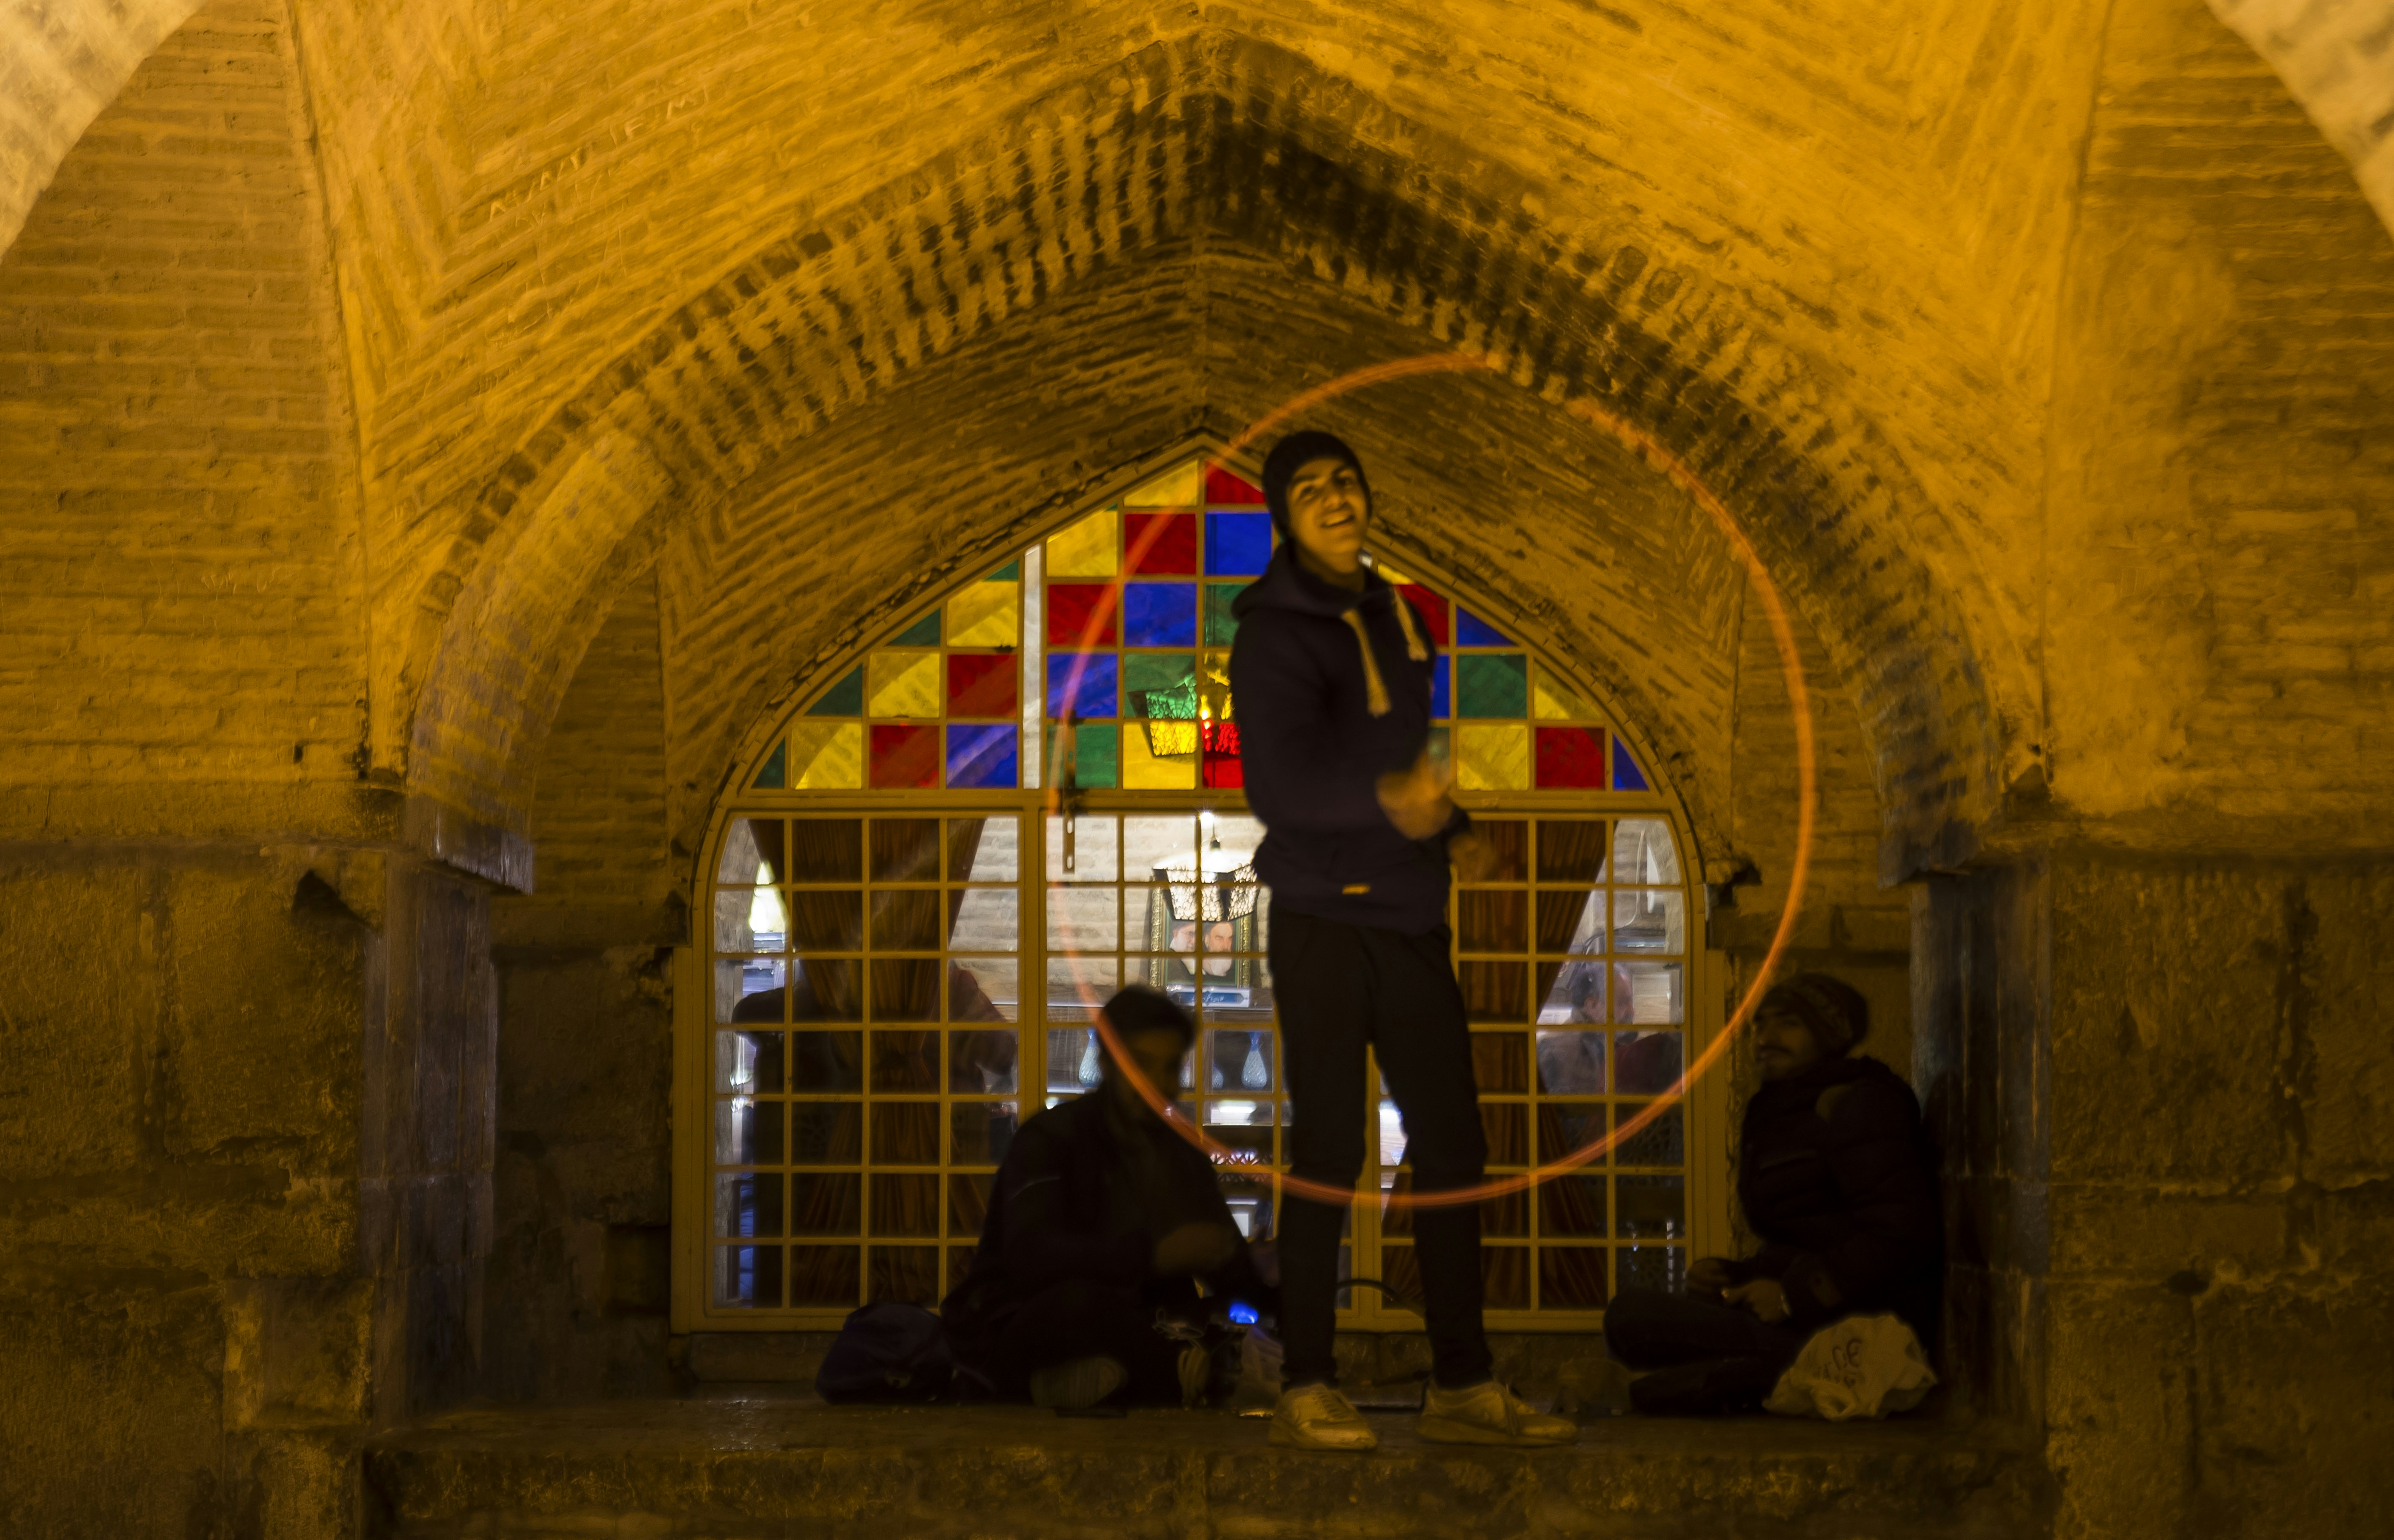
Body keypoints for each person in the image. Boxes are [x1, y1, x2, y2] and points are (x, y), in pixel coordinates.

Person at [1228, 429, 1574, 1451]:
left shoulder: (1397, 617)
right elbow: (1281, 787)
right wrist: (1399, 803)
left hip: (1410, 918)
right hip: (1322, 920)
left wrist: (1451, 831)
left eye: (1345, 481)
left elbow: (1401, 760)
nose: (1334, 498)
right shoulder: (1271, 637)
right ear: (1283, 518)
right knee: (1330, 1151)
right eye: (1308, 489)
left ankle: (1462, 1382)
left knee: (1455, 1149)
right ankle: (1306, 1381)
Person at [1603, 972, 1942, 1415]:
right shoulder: (1783, 1110)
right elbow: (1804, 1236)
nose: (1766, 1038)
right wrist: (1735, 1276)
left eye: (1788, 1023)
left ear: (1827, 1034)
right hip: (1808, 1314)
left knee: (1638, 1326)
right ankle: (1735, 1376)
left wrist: (1790, 1297)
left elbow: (1902, 1236)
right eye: (1760, 1025)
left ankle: (1768, 1374)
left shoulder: (1860, 1105)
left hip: (1856, 1324)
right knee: (1630, 1318)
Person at [940, 986, 1273, 1409]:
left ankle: (1099, 1381)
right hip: (1040, 1320)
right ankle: (1176, 1374)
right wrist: (1153, 1257)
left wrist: (1261, 1273)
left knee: (1211, 1317)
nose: (1156, 1084)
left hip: (1146, 1324)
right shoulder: (1051, 1139)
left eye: (1169, 1067)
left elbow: (1227, 1270)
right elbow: (1031, 1260)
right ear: (1108, 1064)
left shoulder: (1182, 1157)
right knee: (1079, 1306)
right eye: (1140, 1064)